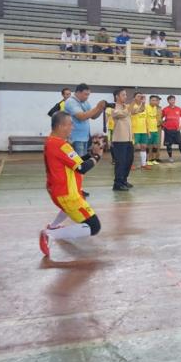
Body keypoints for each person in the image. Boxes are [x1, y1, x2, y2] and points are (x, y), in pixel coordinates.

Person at [39, 112, 105, 258]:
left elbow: (76, 162)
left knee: (71, 206)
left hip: (60, 190)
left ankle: (53, 226)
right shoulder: (61, 145)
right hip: (66, 193)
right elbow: (82, 168)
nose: (72, 127)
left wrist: (91, 153)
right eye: (70, 124)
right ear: (61, 126)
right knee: (94, 227)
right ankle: (50, 234)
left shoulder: (52, 142)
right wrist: (97, 156)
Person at [63, 83, 107, 159]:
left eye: (88, 95)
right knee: (77, 164)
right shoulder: (71, 102)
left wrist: (101, 109)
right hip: (74, 138)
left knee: (82, 162)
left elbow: (93, 116)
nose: (87, 97)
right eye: (85, 94)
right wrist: (97, 107)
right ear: (78, 92)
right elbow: (81, 116)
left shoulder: (85, 102)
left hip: (84, 137)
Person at [109, 88, 135, 191]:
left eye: (125, 95)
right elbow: (123, 114)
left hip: (128, 139)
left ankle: (124, 180)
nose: (125, 96)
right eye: (123, 95)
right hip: (119, 139)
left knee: (129, 160)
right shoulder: (113, 107)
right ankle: (117, 183)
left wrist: (140, 102)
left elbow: (138, 110)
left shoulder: (126, 107)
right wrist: (133, 103)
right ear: (117, 96)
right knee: (121, 162)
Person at [161, 95, 181, 163]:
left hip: (176, 130)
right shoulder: (165, 109)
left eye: (173, 100)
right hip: (168, 130)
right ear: (168, 101)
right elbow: (160, 118)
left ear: (175, 100)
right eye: (170, 100)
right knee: (168, 144)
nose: (172, 101)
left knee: (180, 144)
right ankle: (170, 157)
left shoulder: (178, 109)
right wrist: (163, 126)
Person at [130, 92, 151, 170]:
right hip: (134, 131)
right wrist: (142, 103)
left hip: (144, 131)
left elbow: (146, 120)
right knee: (133, 148)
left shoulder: (144, 107)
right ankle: (130, 164)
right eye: (138, 96)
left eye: (141, 96)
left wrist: (148, 131)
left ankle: (143, 164)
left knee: (144, 147)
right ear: (134, 98)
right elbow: (136, 111)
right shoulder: (132, 106)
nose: (140, 97)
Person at [146, 95, 162, 164]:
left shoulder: (159, 108)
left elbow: (159, 118)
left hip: (158, 128)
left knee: (157, 143)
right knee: (149, 144)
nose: (156, 101)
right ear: (150, 100)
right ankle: (149, 158)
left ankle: (156, 158)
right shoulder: (147, 107)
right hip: (149, 129)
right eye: (154, 100)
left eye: (157, 100)